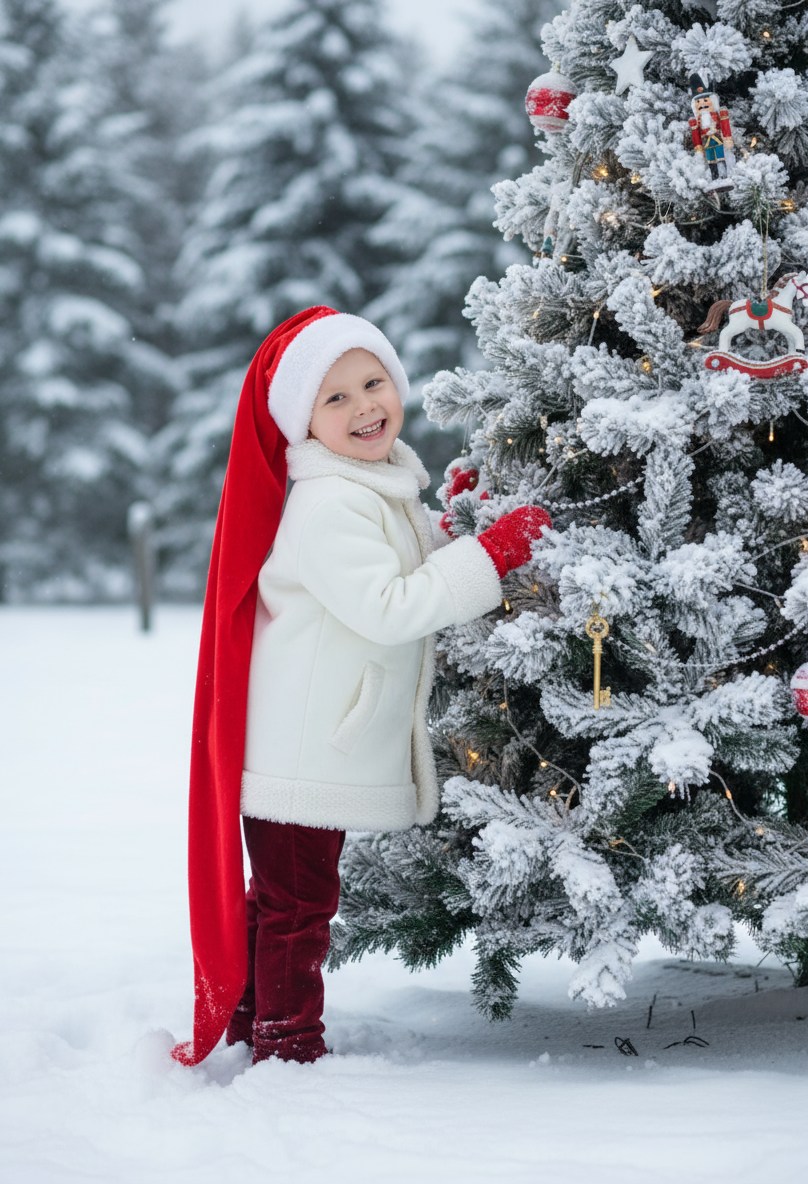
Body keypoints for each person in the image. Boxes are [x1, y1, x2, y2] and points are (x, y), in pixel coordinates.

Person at [171, 306, 550, 1067]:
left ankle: (254, 1020)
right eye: (335, 398)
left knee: (281, 898)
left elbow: (403, 560)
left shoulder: (370, 485)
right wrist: (491, 556)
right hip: (305, 748)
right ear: (302, 423)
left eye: (373, 382)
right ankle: (287, 1046)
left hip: (312, 743)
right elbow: (390, 605)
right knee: (298, 906)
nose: (364, 406)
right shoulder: (328, 502)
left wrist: (456, 525)